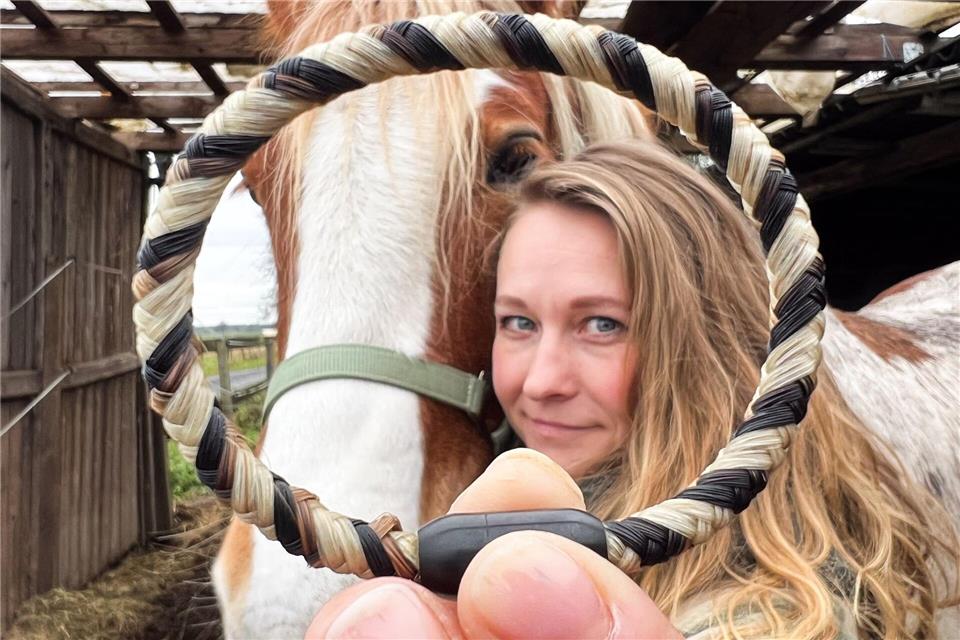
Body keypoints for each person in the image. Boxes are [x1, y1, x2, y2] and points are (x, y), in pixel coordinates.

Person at [306, 140, 958, 638]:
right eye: (518, 322)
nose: (540, 382)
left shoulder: (783, 600)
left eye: (602, 324)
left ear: (708, 341)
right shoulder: (517, 474)